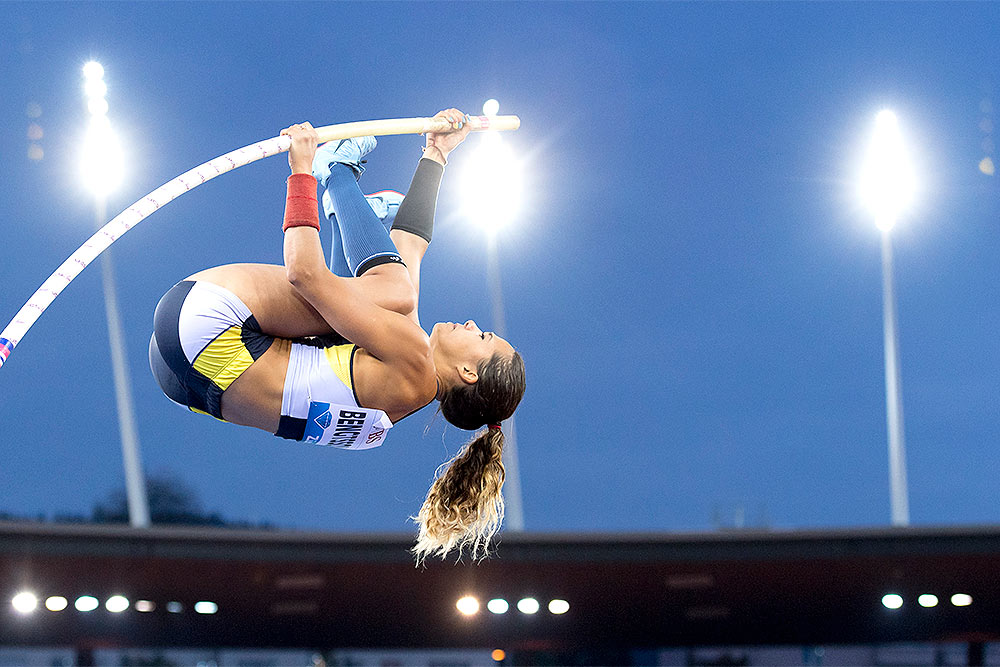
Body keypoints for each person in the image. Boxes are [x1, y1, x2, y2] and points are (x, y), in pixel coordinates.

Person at [148, 110, 526, 562]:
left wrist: (304, 173)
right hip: (185, 380)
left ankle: (339, 176)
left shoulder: (413, 362)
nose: (471, 324)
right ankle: (354, 213)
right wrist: (436, 154)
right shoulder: (402, 394)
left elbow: (304, 275)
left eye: (482, 337)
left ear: (467, 372)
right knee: (389, 292)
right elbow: (410, 248)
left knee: (395, 291)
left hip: (204, 322)